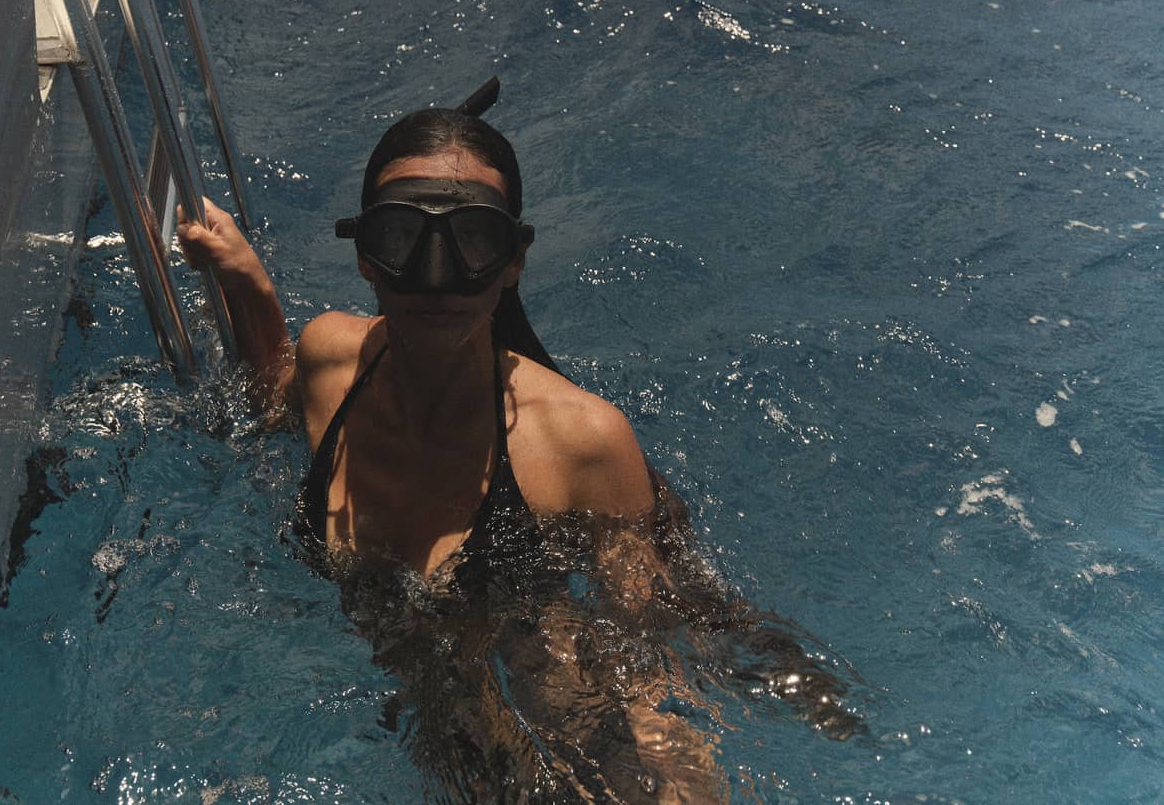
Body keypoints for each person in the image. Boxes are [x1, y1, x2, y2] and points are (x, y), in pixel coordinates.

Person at [179, 93, 757, 801]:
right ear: (365, 256)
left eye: (473, 241)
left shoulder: (580, 441)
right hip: (401, 682)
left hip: (528, 643)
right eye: (401, 238)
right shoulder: (331, 358)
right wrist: (249, 280)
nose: (436, 274)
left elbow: (644, 651)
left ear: (512, 262)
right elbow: (273, 394)